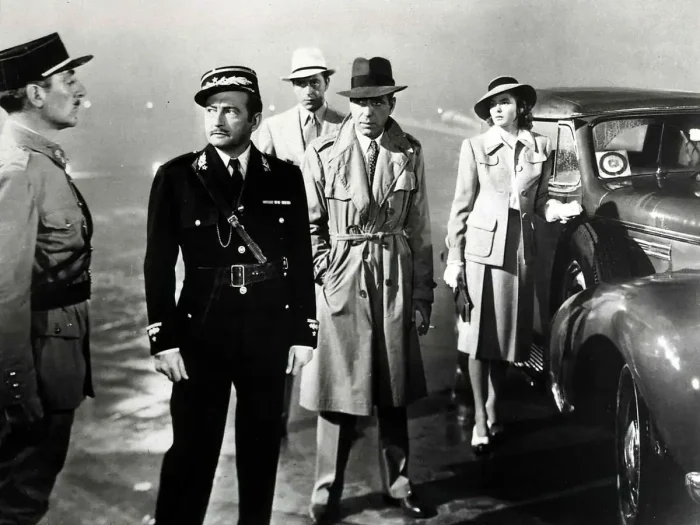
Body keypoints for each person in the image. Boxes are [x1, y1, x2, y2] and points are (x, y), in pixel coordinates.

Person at [143, 65, 318, 525]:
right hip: (201, 331)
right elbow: (158, 264)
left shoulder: (284, 177)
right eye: (211, 110)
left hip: (267, 329)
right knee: (192, 451)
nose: (217, 120)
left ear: (255, 120)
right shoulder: (177, 176)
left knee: (261, 450)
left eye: (231, 111)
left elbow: (300, 258)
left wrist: (304, 331)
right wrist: (163, 338)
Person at [299, 56, 436, 524]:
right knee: (336, 390)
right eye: (359, 102)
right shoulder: (322, 152)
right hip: (342, 277)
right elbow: (308, 226)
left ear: (391, 104)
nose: (367, 111)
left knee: (393, 388)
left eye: (377, 102)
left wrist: (422, 294)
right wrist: (325, 270)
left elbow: (420, 229)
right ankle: (326, 492)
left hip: (393, 275)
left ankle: (399, 483)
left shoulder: (409, 151)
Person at [444, 76, 582, 453]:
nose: (497, 109)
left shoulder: (540, 145)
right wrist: (455, 259)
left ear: (520, 106)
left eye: (504, 102)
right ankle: (479, 416)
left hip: (520, 252)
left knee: (506, 339)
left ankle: (492, 405)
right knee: (477, 340)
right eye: (492, 104)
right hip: (480, 253)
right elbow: (461, 207)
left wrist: (556, 209)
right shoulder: (474, 147)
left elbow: (539, 201)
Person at [0, 33, 94, 524]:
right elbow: (4, 293)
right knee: (19, 502)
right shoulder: (18, 168)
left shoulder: (38, 160)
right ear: (36, 93)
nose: (80, 90)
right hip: (35, 367)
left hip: (50, 358)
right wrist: (16, 388)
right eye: (69, 79)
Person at [256, 47, 345, 167]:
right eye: (301, 83)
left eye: (315, 82)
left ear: (327, 83)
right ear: (293, 86)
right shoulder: (273, 127)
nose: (308, 91)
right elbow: (266, 174)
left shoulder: (346, 124)